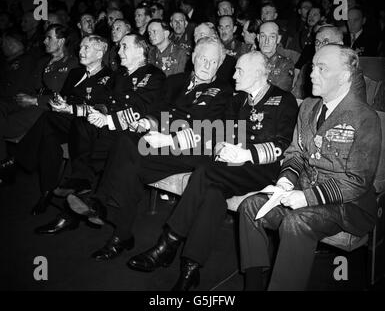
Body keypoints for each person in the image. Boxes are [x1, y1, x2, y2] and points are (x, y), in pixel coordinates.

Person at [127, 51, 298, 291]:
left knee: (204, 170)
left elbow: (283, 145)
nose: (233, 74)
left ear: (258, 73)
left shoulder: (283, 99)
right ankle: (191, 267)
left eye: (239, 70)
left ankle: (168, 243)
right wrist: (222, 148)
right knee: (212, 195)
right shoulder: (237, 100)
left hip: (262, 169)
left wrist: (245, 154)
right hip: (231, 166)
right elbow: (221, 133)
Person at [67, 36, 232, 262]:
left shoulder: (223, 91)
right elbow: (157, 111)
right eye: (203, 59)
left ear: (220, 64)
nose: (207, 66)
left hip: (191, 148)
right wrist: (146, 123)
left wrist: (168, 139)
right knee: (127, 146)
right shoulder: (175, 81)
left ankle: (102, 205)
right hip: (162, 143)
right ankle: (119, 233)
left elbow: (211, 130)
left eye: (214, 62)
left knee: (129, 159)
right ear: (193, 57)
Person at [238, 44, 381, 291]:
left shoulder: (363, 117)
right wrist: (285, 182)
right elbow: (295, 153)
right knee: (250, 206)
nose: (312, 74)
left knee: (296, 221)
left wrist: (306, 197)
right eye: (313, 67)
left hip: (348, 206)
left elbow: (357, 181)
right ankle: (253, 284)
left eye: (322, 69)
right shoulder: (307, 107)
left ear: (345, 75)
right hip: (304, 192)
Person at [34, 34, 166, 234]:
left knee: (100, 143)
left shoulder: (153, 75)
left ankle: (79, 205)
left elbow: (140, 107)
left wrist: (108, 120)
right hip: (110, 129)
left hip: (132, 133)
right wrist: (72, 109)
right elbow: (102, 103)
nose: (118, 51)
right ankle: (81, 182)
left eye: (124, 47)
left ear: (140, 51)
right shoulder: (120, 75)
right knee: (81, 124)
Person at [0, 35, 112, 213]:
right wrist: (59, 102)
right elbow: (65, 96)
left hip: (87, 127)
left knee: (48, 124)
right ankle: (47, 191)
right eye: (80, 47)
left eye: (86, 48)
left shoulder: (109, 77)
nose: (80, 51)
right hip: (66, 122)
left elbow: (99, 108)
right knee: (49, 138)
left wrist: (68, 107)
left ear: (100, 53)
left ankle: (18, 162)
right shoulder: (75, 73)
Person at [0, 25, 78, 164]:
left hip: (46, 107)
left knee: (6, 127)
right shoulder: (42, 61)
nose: (44, 41)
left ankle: (6, 163)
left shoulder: (72, 64)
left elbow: (63, 97)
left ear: (60, 41)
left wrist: (34, 100)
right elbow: (31, 85)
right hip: (28, 100)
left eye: (49, 38)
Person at [257, 22, 294, 92]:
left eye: (272, 37)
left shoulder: (285, 64)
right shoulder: (248, 60)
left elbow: (281, 92)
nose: (266, 41)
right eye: (263, 36)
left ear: (278, 39)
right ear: (258, 38)